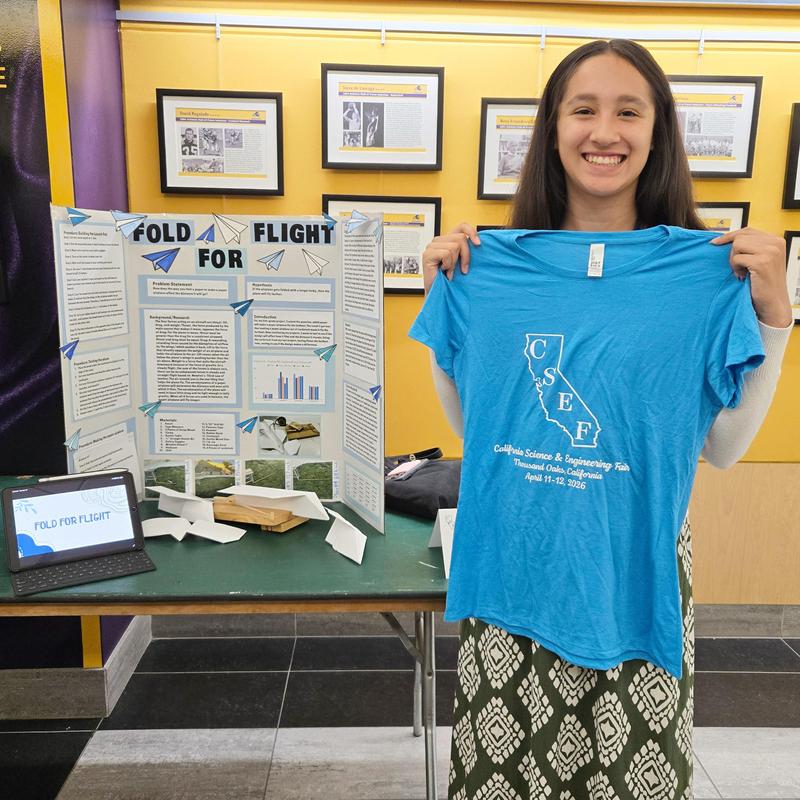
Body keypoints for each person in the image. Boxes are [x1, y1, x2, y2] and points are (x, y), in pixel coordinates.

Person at [411, 39, 792, 799]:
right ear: (553, 129)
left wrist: (775, 316)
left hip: (636, 575)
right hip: (516, 565)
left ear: (658, 134)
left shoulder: (708, 274)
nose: (603, 132)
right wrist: (445, 297)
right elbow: (472, 420)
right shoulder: (487, 263)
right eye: (582, 110)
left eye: (629, 111)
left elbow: (721, 450)